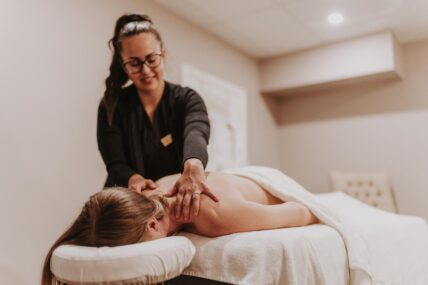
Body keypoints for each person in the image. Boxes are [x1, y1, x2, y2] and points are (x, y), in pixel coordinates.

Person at [41, 170, 318, 285]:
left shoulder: (215, 213)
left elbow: (302, 213)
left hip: (264, 180)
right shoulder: (149, 195)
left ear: (152, 225)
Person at [97, 13, 216, 220]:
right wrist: (132, 178)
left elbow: (196, 130)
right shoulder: (112, 106)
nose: (145, 70)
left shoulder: (186, 99)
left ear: (163, 55)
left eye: (151, 59)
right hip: (125, 205)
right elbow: (115, 163)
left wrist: (193, 163)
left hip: (170, 203)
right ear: (123, 64)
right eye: (134, 63)